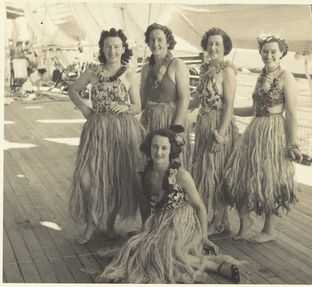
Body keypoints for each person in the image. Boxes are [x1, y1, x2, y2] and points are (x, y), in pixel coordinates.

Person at [98, 127, 241, 284]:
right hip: (159, 221)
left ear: (171, 150)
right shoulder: (143, 175)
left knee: (169, 251)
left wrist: (204, 237)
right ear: (149, 147)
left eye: (164, 148)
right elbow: (144, 207)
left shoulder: (181, 175)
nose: (159, 152)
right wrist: (146, 231)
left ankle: (216, 267)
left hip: (181, 221)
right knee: (143, 250)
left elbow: (200, 207)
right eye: (155, 147)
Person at [68, 28, 146, 244]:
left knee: (115, 178)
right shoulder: (93, 71)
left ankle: (110, 223)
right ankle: (92, 221)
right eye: (108, 46)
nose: (112, 50)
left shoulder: (129, 74)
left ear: (123, 49)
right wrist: (84, 109)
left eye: (116, 46)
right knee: (86, 179)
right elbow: (72, 90)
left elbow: (138, 105)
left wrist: (126, 108)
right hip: (96, 130)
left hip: (121, 133)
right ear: (102, 48)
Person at [224, 34, 302, 243]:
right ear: (260, 53)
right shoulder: (261, 77)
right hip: (255, 130)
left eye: (273, 52)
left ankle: (269, 230)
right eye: (265, 51)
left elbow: (292, 112)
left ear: (281, 53)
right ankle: (245, 221)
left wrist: (292, 143)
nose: (269, 55)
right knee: (240, 174)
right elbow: (256, 109)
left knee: (271, 179)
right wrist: (231, 111)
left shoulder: (287, 76)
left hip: (274, 131)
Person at [190, 28, 239, 234]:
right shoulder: (206, 69)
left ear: (225, 47)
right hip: (204, 124)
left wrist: (221, 133)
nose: (213, 48)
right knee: (204, 171)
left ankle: (217, 221)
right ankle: (222, 221)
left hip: (219, 124)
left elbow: (228, 105)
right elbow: (198, 99)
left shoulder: (227, 71)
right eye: (210, 44)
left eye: (218, 44)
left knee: (216, 172)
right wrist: (180, 104)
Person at [140, 23, 191, 168]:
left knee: (172, 164)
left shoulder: (177, 64)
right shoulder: (145, 69)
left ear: (168, 42)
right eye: (152, 40)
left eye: (159, 39)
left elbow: (184, 98)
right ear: (148, 43)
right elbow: (142, 102)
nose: (155, 44)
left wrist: (175, 129)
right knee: (151, 162)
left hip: (171, 121)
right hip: (150, 120)